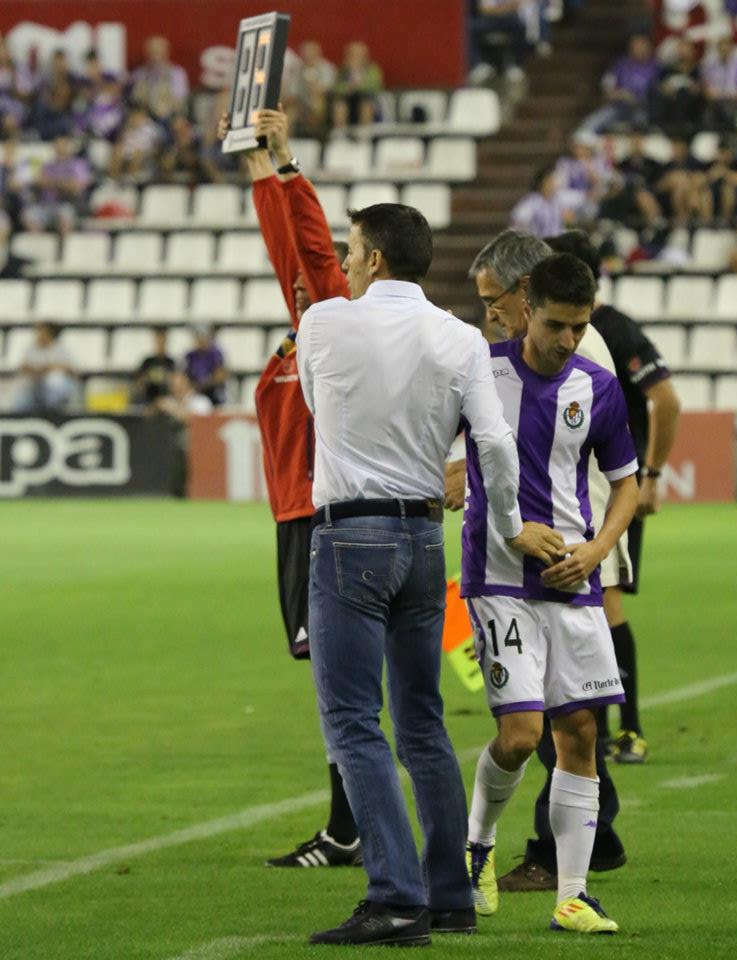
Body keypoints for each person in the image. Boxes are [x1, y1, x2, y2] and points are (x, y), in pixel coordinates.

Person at [297, 203, 557, 946]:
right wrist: (508, 524)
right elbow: (496, 446)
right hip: (423, 538)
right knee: (422, 719)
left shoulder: (324, 323)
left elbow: (321, 411)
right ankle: (450, 893)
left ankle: (395, 896)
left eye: (352, 251)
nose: (345, 263)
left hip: (350, 535)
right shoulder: (461, 337)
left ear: (375, 258)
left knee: (353, 720)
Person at [448, 228, 631, 892]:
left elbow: (619, 475)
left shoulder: (591, 372)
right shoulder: (485, 368)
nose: (569, 339)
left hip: (576, 560)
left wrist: (598, 549)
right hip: (500, 572)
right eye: (560, 325)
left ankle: (572, 884)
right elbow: (472, 445)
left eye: (494, 301)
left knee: (577, 727)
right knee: (529, 732)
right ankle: (484, 842)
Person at [216, 105, 362, 870]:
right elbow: (288, 253)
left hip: (319, 516)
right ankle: (352, 823)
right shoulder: (304, 326)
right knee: (333, 684)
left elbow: (303, 251)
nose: (302, 286)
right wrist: (256, 166)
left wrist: (286, 163)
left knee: (340, 685)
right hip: (296, 518)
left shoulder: (333, 319)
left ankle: (351, 828)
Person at [547, 230, 680, 764]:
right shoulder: (560, 333)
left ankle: (622, 728)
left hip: (607, 487)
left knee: (605, 602)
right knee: (592, 605)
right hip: (576, 489)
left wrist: (649, 476)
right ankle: (604, 729)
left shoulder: (609, 330)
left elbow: (665, 400)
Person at [582, 34, 659, 132]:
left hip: (644, 110)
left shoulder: (656, 66)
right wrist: (616, 93)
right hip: (619, 107)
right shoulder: (621, 64)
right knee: (589, 125)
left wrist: (635, 98)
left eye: (640, 45)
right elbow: (607, 84)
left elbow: (658, 92)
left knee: (641, 123)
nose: (637, 48)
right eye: (634, 45)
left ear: (648, 47)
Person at [11, 321, 77, 412]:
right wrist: (38, 370)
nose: (38, 334)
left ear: (50, 333)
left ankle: (52, 413)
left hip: (53, 387)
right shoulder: (31, 348)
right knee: (20, 401)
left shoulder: (61, 348)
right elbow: (23, 366)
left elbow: (71, 370)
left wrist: (50, 368)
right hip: (33, 385)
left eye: (42, 331)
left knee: (55, 384)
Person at [129, 35, 189, 123]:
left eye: (158, 52)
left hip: (169, 118)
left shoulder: (176, 74)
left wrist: (165, 109)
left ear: (166, 53)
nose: (154, 56)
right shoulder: (139, 73)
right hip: (144, 117)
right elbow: (134, 98)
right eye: (152, 52)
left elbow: (180, 101)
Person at [331, 42, 383, 129]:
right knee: (339, 107)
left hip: (367, 99)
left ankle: (364, 135)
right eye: (353, 54)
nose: (356, 57)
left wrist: (357, 85)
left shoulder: (372, 69)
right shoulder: (343, 70)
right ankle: (340, 135)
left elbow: (374, 86)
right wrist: (349, 87)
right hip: (347, 100)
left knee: (366, 106)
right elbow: (337, 88)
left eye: (359, 55)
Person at [510, 165, 569, 237]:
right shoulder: (533, 201)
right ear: (543, 182)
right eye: (551, 180)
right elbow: (519, 216)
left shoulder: (558, 200)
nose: (554, 184)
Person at [184, 325, 226, 406]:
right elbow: (185, 376)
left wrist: (202, 385)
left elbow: (219, 376)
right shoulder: (190, 356)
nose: (201, 340)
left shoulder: (215, 354)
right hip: (194, 393)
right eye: (199, 337)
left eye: (203, 337)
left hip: (213, 393)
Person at [135, 327, 176, 408]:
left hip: (166, 399)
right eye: (158, 342)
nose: (160, 345)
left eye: (162, 342)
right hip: (148, 399)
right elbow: (139, 381)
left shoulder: (170, 362)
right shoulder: (148, 361)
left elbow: (173, 382)